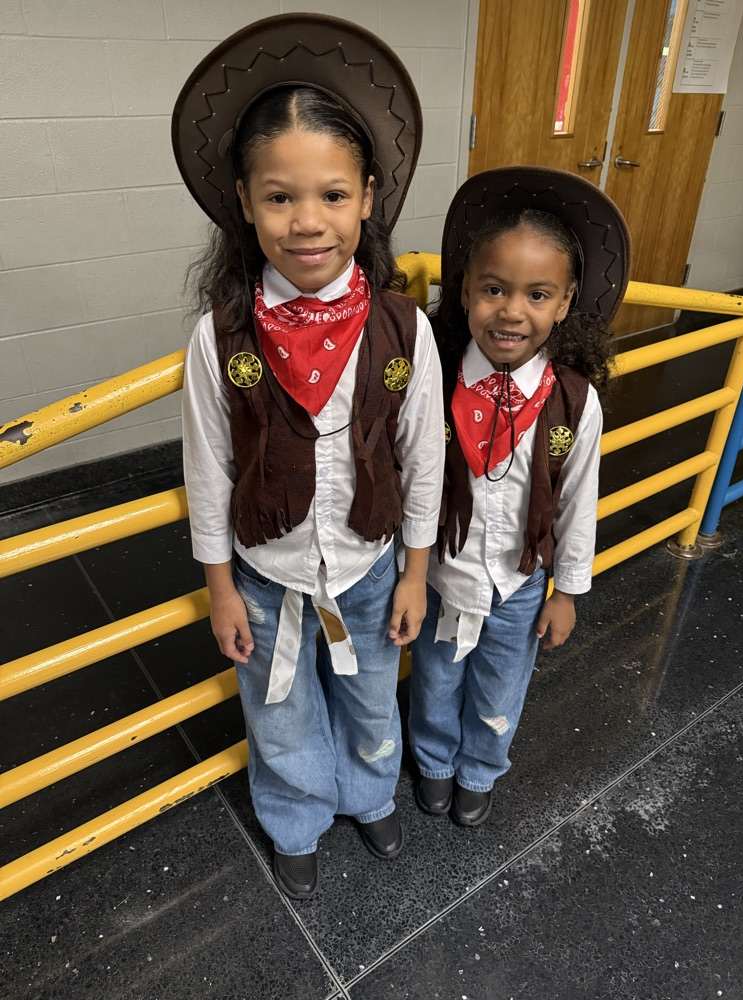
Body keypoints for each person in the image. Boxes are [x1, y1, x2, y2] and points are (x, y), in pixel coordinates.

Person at [171, 14, 444, 899]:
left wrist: (414, 573)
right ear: (245, 203)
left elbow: (423, 456)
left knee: (370, 690)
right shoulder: (221, 338)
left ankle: (370, 793)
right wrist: (220, 589)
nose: (308, 222)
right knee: (279, 707)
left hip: (369, 563)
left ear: (367, 197)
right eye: (280, 197)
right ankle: (295, 816)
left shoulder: (403, 330)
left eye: (331, 194)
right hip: (266, 573)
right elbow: (209, 471)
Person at [409, 166, 631, 828]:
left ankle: (480, 768)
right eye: (493, 289)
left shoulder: (574, 401)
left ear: (564, 303)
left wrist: (568, 593)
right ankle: (434, 762)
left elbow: (578, 502)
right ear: (464, 291)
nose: (511, 311)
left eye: (537, 294)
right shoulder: (436, 379)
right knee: (435, 678)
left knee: (501, 685)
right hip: (442, 575)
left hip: (521, 582)